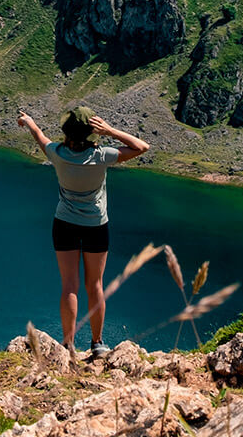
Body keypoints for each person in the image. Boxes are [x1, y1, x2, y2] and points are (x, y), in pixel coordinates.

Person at [16, 105, 150, 358]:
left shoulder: (57, 153)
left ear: (67, 132)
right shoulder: (102, 156)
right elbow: (141, 147)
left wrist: (29, 122)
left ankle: (68, 345)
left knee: (69, 285)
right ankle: (97, 343)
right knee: (95, 285)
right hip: (95, 225)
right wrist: (110, 130)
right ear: (92, 133)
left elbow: (39, 136)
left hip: (64, 223)